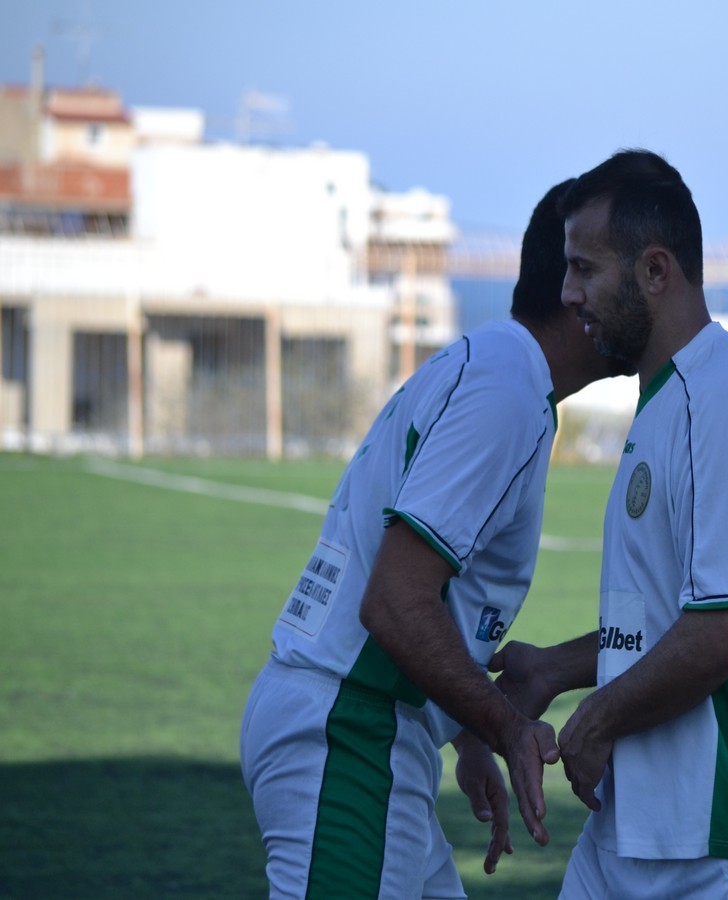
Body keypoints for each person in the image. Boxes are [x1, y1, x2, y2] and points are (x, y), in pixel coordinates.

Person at [239, 178, 631, 899]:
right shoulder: (506, 393)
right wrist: (504, 726)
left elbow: (427, 590)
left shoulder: (496, 368)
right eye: (618, 273)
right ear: (572, 288)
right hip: (351, 732)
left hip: (365, 728)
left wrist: (468, 733)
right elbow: (394, 601)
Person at [489, 150, 728, 899]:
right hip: (628, 827)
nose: (568, 292)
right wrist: (555, 669)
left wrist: (599, 718)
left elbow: (727, 629)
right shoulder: (665, 400)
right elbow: (664, 623)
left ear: (654, 270)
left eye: (584, 269)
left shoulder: (726, 392)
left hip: (719, 842)